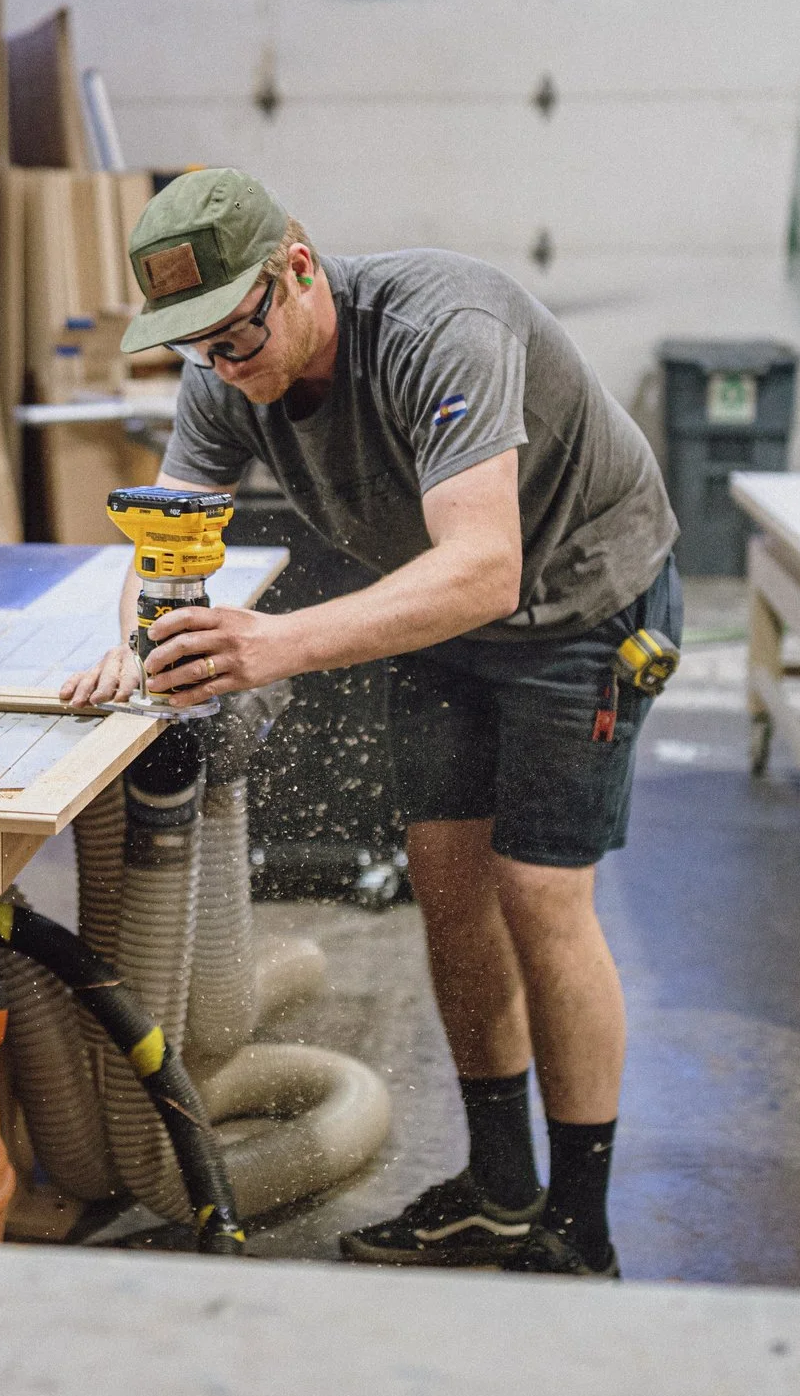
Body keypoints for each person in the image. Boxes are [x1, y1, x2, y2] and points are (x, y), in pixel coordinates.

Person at [58, 168, 680, 1278]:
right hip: (441, 614)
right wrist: (142, 641)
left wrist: (273, 644)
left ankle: (581, 1228)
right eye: (197, 346)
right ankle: (500, 1188)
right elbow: (167, 541)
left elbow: (485, 567)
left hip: (577, 603)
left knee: (539, 894)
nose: (223, 368)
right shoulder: (224, 368)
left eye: (236, 336)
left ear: (297, 268)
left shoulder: (441, 328)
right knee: (449, 883)